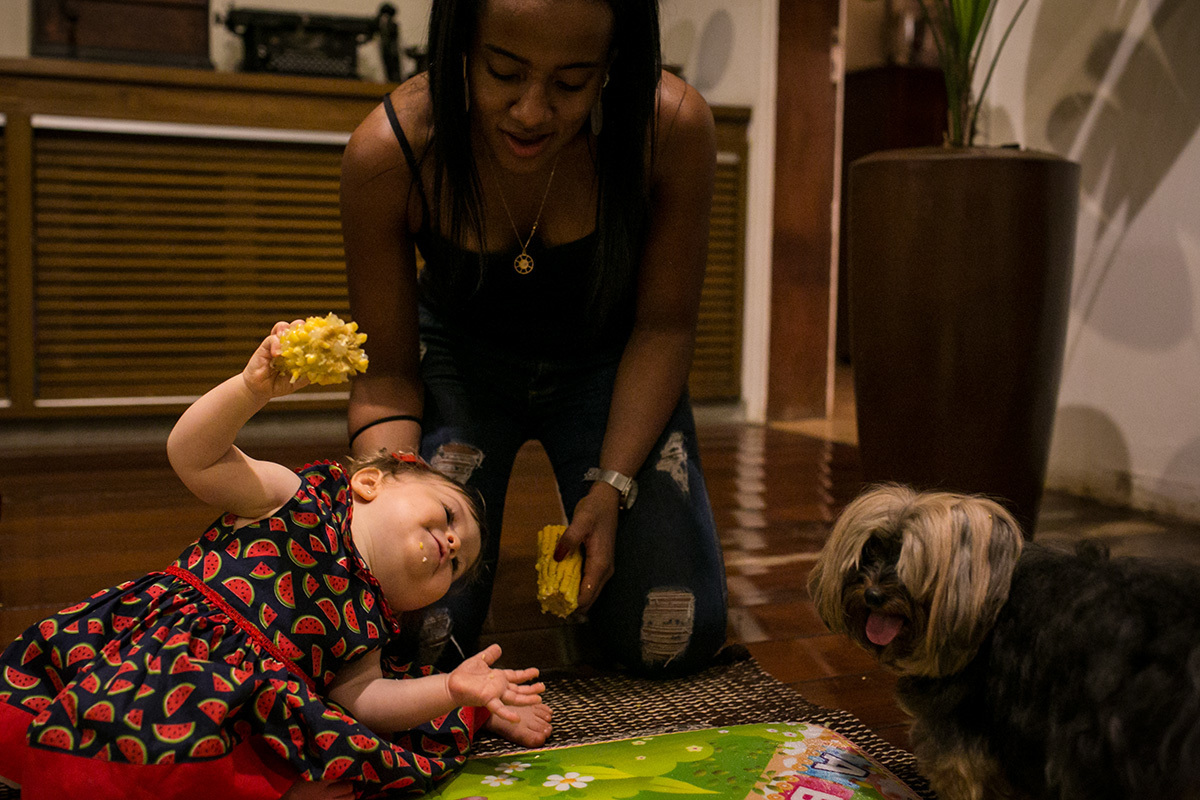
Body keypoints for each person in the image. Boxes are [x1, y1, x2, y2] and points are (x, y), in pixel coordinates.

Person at [0, 323, 551, 800]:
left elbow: (365, 702)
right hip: (168, 662)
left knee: (339, 747)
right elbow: (192, 454)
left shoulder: (372, 623)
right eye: (449, 516)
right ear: (367, 483)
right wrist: (248, 390)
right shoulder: (291, 498)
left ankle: (266, 789)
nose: (452, 547)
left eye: (457, 567)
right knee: (130, 735)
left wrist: (451, 689)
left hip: (248, 708)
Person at [340, 0, 728, 677]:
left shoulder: (669, 128)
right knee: (417, 642)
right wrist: (389, 495)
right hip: (464, 366)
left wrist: (608, 489)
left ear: (612, 66)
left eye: (572, 82)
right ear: (460, 46)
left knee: (668, 638)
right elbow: (386, 376)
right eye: (503, 71)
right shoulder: (394, 149)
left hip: (611, 366)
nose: (530, 111)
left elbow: (664, 327)